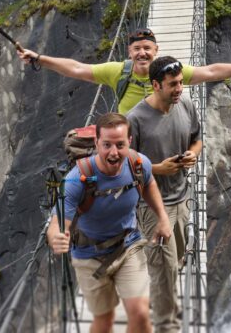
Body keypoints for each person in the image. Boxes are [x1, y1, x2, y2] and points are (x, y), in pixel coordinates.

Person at [47, 112, 172, 333]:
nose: (114, 153)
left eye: (120, 144)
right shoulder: (77, 179)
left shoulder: (138, 164)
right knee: (104, 321)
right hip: (89, 256)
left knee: (141, 314)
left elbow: (150, 183)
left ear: (129, 142)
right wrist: (56, 238)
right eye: (106, 145)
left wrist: (162, 217)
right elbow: (58, 223)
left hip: (128, 246)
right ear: (96, 143)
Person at [18, 27, 231, 114]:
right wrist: (40, 58)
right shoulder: (117, 71)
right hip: (130, 146)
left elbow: (211, 71)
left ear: (156, 50)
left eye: (147, 48)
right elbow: (76, 68)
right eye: (137, 48)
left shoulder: (170, 71)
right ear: (129, 52)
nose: (142, 53)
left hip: (163, 142)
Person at [126, 56, 201, 333]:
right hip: (152, 206)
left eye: (180, 82)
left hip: (182, 198)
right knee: (164, 271)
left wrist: (193, 154)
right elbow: (123, 163)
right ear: (155, 85)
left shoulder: (187, 105)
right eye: (172, 85)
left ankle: (164, 303)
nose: (179, 89)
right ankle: (166, 326)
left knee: (176, 261)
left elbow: (197, 138)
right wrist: (157, 168)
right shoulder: (135, 119)